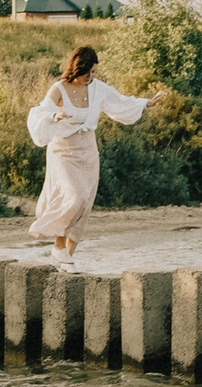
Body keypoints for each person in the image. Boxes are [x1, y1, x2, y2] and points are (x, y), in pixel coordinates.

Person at [26, 44, 159, 267]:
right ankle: (58, 246)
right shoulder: (59, 89)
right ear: (76, 68)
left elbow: (119, 102)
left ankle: (67, 259)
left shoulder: (98, 88)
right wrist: (53, 117)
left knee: (85, 203)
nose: (90, 76)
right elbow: (40, 112)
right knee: (75, 197)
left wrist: (147, 103)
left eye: (94, 71)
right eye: (86, 72)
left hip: (88, 150)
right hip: (63, 151)